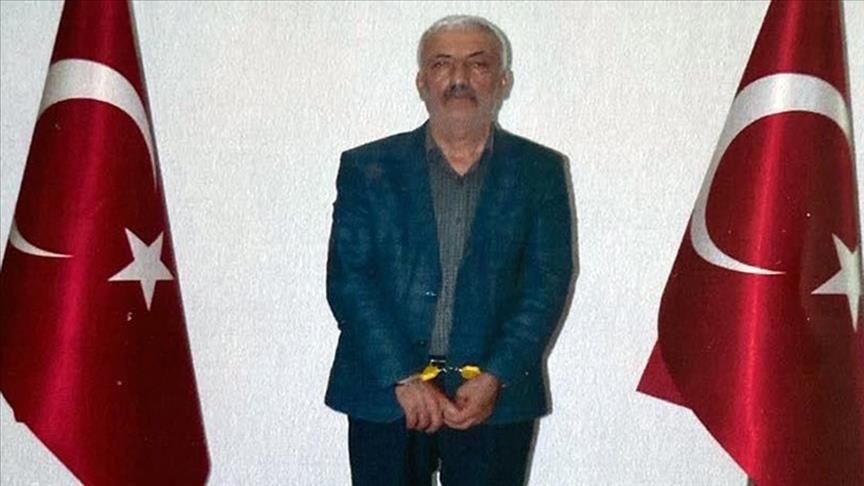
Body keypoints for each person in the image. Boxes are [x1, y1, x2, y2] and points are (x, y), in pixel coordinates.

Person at [325, 14, 575, 486]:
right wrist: (404, 376)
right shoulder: (366, 167)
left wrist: (495, 375)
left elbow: (546, 283)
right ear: (422, 81)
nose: (459, 78)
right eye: (442, 64)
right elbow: (349, 279)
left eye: (477, 64)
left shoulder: (539, 171)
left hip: (493, 399)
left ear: (503, 81)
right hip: (386, 394)